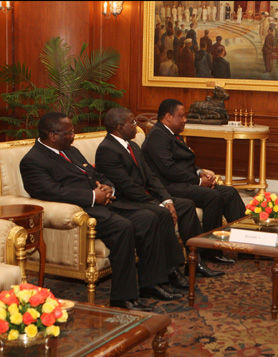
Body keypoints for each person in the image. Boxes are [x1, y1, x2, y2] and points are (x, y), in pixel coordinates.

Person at [20, 112, 181, 312]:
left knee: (149, 217)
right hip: (82, 210)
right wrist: (92, 196)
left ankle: (151, 284)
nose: (73, 136)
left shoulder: (71, 151)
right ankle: (123, 298)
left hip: (104, 203)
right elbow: (51, 191)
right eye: (69, 132)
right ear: (53, 135)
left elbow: (96, 173)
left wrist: (108, 188)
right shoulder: (33, 161)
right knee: (123, 227)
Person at [95, 108, 224, 278]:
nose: (136, 126)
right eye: (132, 122)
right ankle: (171, 270)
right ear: (120, 127)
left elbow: (151, 176)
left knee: (185, 205)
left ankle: (195, 261)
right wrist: (158, 203)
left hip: (145, 196)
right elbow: (127, 187)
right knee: (161, 212)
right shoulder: (107, 150)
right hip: (128, 201)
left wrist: (167, 199)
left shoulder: (132, 145)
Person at [141, 99, 246, 259]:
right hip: (169, 186)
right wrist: (198, 182)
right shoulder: (157, 136)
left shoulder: (172, 134)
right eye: (181, 116)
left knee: (229, 192)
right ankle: (210, 251)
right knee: (213, 196)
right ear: (168, 117)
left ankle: (246, 245)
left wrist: (200, 173)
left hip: (184, 182)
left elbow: (184, 162)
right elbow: (169, 169)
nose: (185, 120)